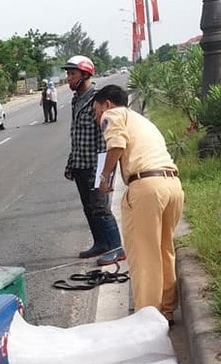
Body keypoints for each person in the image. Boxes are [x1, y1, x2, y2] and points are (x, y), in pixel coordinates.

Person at [93, 84, 184, 325]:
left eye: (96, 111)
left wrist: (104, 178)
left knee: (144, 255)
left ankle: (147, 318)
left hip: (146, 189)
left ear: (107, 104)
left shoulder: (113, 114)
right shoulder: (142, 121)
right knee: (165, 249)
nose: (97, 117)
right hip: (172, 185)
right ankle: (165, 309)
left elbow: (116, 146)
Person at [62, 55, 125, 266]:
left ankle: (116, 248)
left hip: (96, 163)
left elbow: (108, 134)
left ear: (86, 74)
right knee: (88, 208)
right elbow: (76, 135)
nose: (69, 78)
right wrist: (71, 163)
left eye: (73, 74)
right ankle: (100, 243)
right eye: (68, 74)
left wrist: (105, 170)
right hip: (80, 163)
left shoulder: (97, 100)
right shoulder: (76, 100)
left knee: (100, 207)